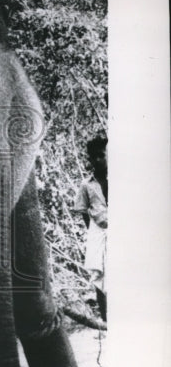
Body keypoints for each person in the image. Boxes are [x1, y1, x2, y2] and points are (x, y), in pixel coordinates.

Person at [73, 134, 108, 321]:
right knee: (100, 277)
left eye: (101, 155)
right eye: (93, 157)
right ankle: (106, 321)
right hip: (99, 234)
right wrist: (95, 231)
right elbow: (83, 211)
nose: (97, 160)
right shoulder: (87, 184)